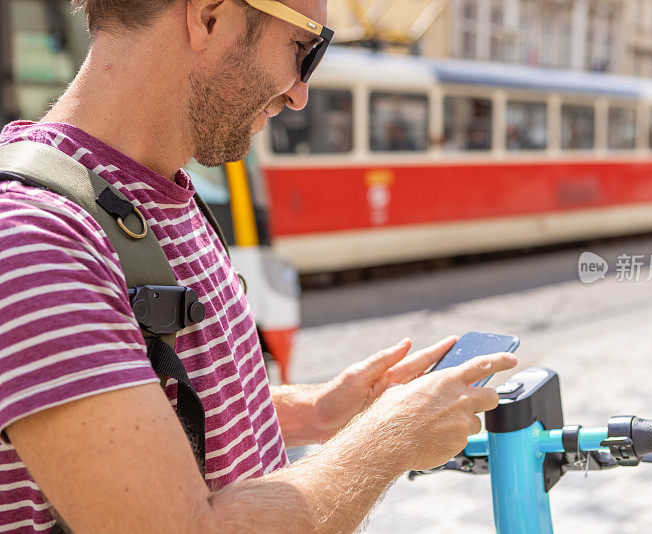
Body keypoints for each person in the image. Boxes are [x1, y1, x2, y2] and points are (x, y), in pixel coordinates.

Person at [0, 1, 518, 532]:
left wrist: (318, 411)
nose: (299, 94)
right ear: (208, 17)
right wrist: (390, 440)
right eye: (303, 49)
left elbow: (140, 401)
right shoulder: (36, 239)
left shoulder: (158, 194)